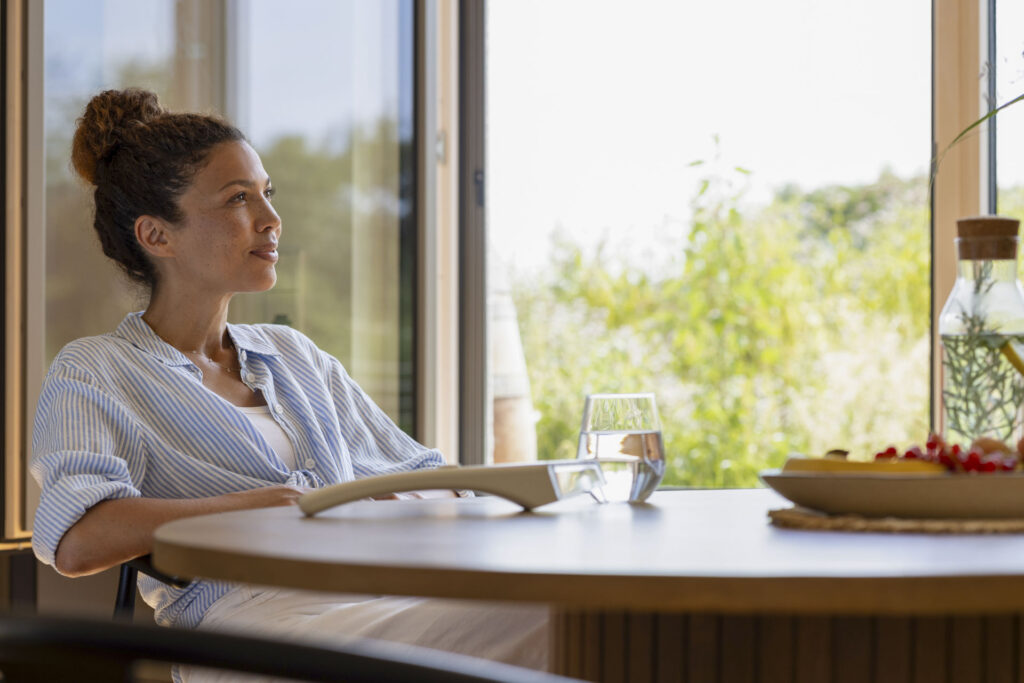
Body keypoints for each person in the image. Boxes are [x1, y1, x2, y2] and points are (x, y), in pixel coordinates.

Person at [30, 89, 547, 682]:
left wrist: (396, 502)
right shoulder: (97, 370)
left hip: (370, 599)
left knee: (580, 618)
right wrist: (261, 507)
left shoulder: (293, 356)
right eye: (238, 200)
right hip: (251, 633)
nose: (271, 220)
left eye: (266, 195)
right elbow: (76, 539)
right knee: (554, 622)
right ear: (156, 235)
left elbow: (432, 479)